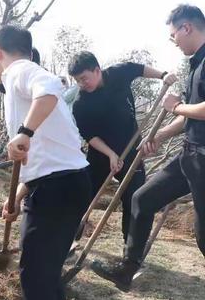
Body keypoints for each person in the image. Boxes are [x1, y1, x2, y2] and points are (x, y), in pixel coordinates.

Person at [89, 5, 205, 300]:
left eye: (173, 37)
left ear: (186, 28)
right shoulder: (196, 64)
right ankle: (127, 268)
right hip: (190, 154)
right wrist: (157, 135)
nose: (174, 43)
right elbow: (188, 118)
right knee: (142, 199)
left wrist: (177, 105)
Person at [0, 25, 90, 300]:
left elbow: (50, 88)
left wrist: (24, 131)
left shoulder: (19, 70)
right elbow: (43, 158)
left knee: (35, 274)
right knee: (45, 273)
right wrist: (18, 197)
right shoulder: (20, 83)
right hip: (60, 183)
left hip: (58, 187)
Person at [69, 52, 177, 246]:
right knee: (83, 195)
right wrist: (111, 154)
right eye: (77, 81)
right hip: (101, 155)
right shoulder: (80, 103)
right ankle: (68, 240)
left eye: (84, 78)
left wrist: (163, 75)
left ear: (97, 70)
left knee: (134, 199)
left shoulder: (118, 73)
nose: (82, 84)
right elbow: (90, 136)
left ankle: (131, 251)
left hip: (132, 151)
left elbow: (139, 69)